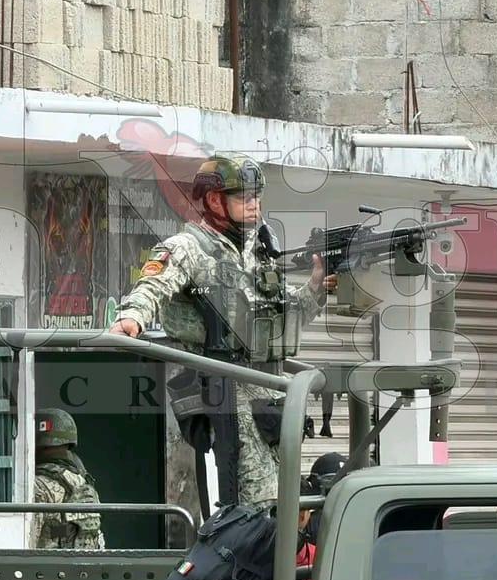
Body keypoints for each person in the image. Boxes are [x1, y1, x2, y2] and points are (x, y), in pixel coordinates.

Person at [109, 155, 335, 509]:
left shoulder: (256, 253)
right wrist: (133, 317)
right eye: (245, 197)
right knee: (254, 507)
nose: (255, 205)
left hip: (267, 392)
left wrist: (316, 287)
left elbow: (284, 314)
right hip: (225, 390)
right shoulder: (188, 248)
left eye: (258, 196)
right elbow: (153, 283)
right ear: (215, 201)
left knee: (283, 502)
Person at [31, 408, 104, 550]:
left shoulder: (38, 485)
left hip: (48, 567)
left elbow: (28, 541)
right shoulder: (84, 481)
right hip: (85, 566)